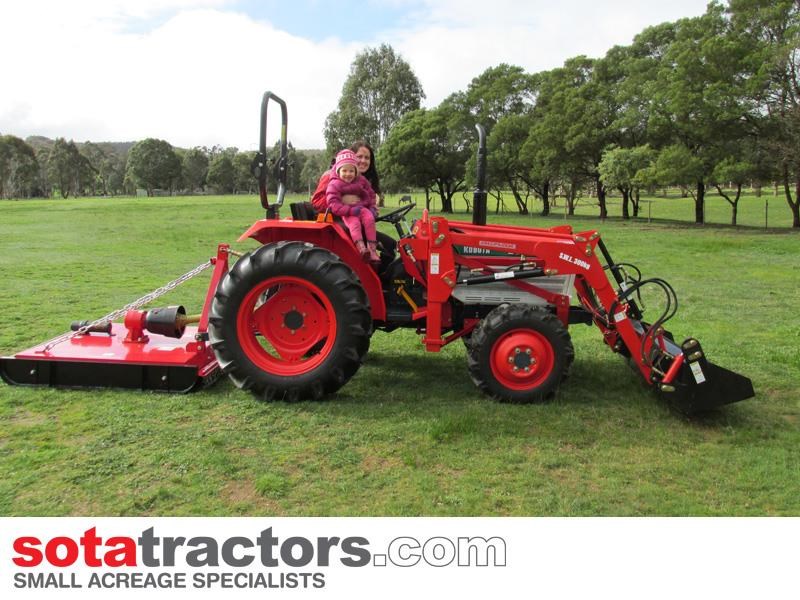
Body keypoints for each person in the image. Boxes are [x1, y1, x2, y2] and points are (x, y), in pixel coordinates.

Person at [325, 149, 380, 264]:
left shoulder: (361, 180)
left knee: (370, 219)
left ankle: (372, 250)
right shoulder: (334, 184)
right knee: (354, 224)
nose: (348, 174)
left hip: (361, 208)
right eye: (344, 170)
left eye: (351, 171)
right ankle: (361, 248)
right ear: (338, 171)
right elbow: (333, 204)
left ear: (356, 172)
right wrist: (349, 209)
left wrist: (373, 208)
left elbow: (370, 194)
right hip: (347, 212)